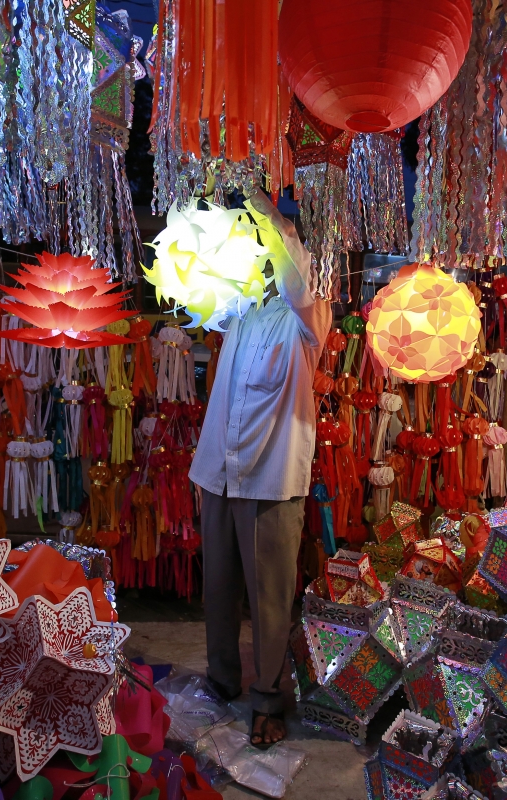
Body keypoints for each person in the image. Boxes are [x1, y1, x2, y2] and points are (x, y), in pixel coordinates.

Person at [188, 186, 331, 748]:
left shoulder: (307, 313)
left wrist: (264, 206)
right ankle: (221, 682)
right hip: (218, 472)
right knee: (218, 587)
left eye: (267, 241)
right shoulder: (242, 309)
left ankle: (268, 699)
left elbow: (295, 267)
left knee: (270, 596)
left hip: (270, 477)